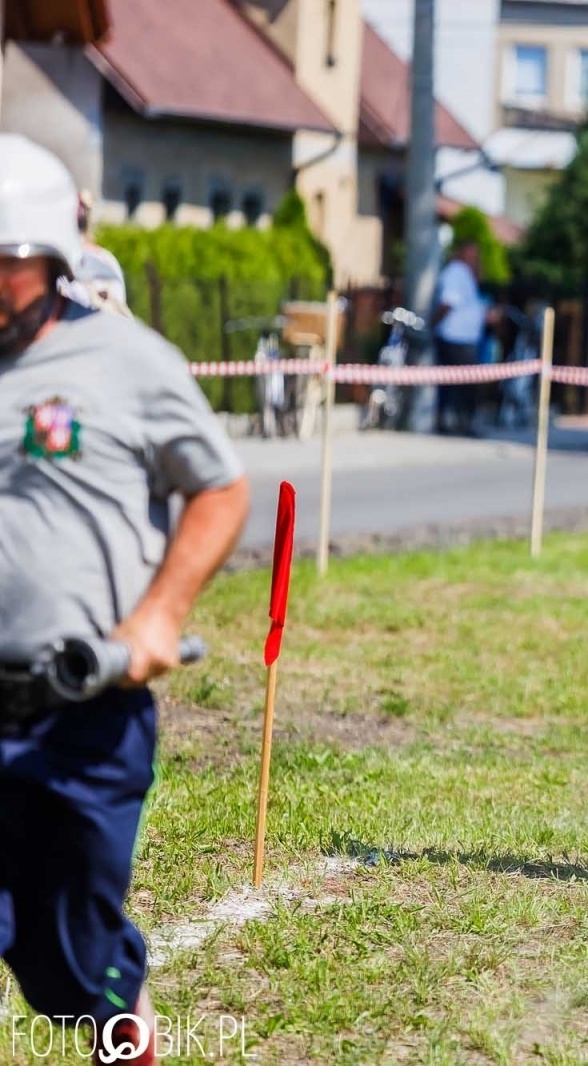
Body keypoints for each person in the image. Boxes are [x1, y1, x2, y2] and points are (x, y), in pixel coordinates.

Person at [0, 136, 250, 1066]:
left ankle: (122, 1026)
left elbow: (219, 490)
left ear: (45, 261)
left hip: (82, 714)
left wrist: (159, 616)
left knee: (69, 965)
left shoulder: (127, 360)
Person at [432, 240, 486, 435]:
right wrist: (433, 323)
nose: (476, 260)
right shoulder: (456, 272)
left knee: (462, 383)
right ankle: (454, 422)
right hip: (454, 337)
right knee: (458, 383)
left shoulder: (466, 274)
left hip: (464, 338)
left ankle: (460, 421)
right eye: (472, 255)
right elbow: (448, 302)